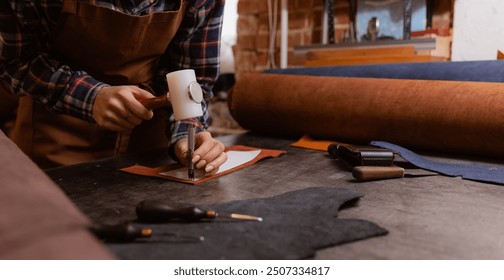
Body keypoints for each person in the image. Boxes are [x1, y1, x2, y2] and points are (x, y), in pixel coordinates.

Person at [0, 0, 227, 175]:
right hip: (55, 141)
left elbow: (189, 76)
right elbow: (15, 61)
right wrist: (91, 97)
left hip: (150, 146)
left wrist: (189, 132)